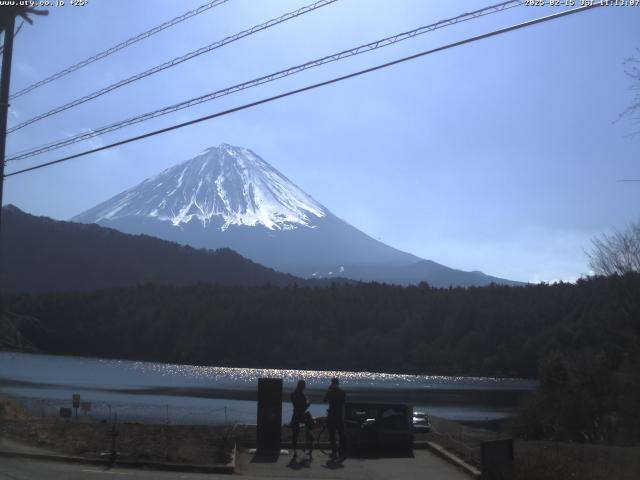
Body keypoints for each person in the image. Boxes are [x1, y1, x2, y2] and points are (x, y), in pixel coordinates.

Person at [323, 377, 346, 460]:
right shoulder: (342, 393)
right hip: (339, 416)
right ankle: (342, 451)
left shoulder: (330, 392)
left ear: (332, 384)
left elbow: (324, 400)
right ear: (338, 384)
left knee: (332, 435)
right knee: (341, 435)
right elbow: (343, 404)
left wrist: (328, 390)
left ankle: (334, 452)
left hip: (331, 416)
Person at [290, 379, 313, 457]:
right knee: (309, 427)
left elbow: (295, 405)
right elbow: (304, 407)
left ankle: (294, 451)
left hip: (295, 415)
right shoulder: (302, 396)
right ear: (303, 386)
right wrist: (308, 403)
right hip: (301, 415)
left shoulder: (292, 394)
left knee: (295, 434)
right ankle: (309, 443)